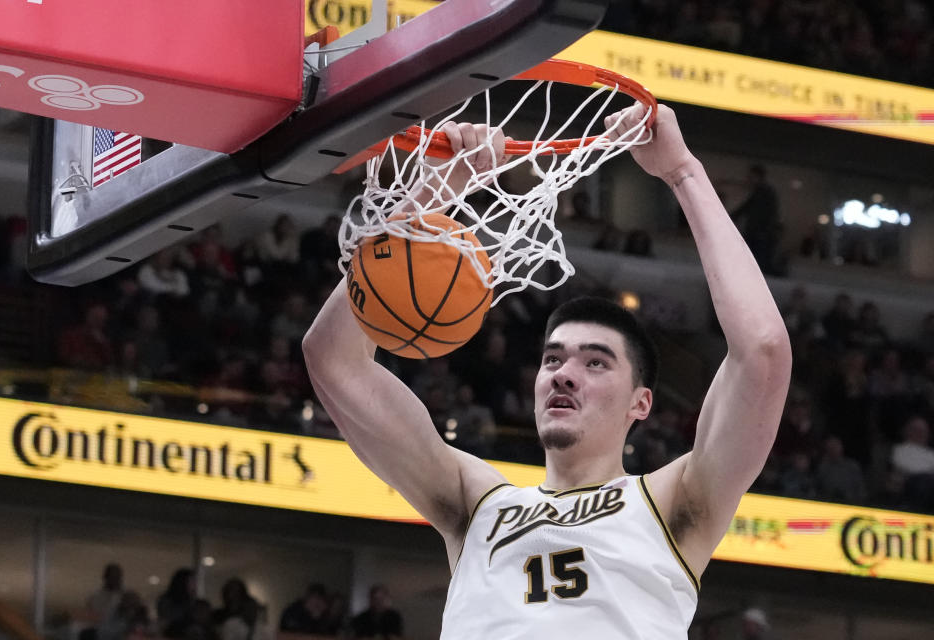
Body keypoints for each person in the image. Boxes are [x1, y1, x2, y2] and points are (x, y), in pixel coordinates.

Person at [303, 107, 792, 637]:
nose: (563, 374)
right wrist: (439, 191)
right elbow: (333, 360)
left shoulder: (674, 503)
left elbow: (762, 349)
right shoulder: (477, 503)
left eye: (596, 362)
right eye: (553, 359)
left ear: (641, 402)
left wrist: (683, 174)